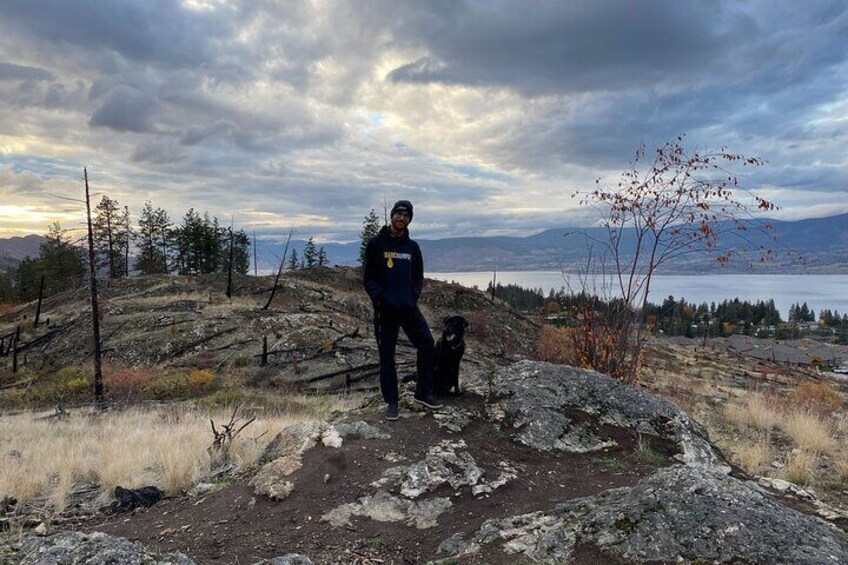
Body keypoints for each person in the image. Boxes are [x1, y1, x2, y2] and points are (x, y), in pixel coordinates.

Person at [363, 200, 443, 420]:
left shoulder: (412, 248)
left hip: (408, 307)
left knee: (427, 343)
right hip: (385, 311)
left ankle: (423, 393)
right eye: (398, 214)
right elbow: (368, 279)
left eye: (406, 215)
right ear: (392, 216)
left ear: (409, 220)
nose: (401, 218)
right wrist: (381, 298)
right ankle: (392, 402)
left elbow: (418, 277)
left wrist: (412, 296)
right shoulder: (376, 244)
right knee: (387, 356)